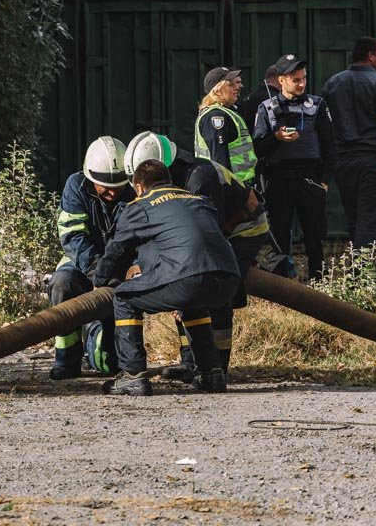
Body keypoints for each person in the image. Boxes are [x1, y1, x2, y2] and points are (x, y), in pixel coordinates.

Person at [88, 159, 241, 396]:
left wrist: (100, 279)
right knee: (193, 304)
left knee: (124, 298)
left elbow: (117, 250)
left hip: (189, 279)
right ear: (168, 180)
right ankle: (212, 373)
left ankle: (132, 375)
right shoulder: (197, 199)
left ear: (138, 187)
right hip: (230, 280)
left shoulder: (141, 206)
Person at [124, 132, 269, 377]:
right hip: (213, 231)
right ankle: (190, 362)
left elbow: (209, 233)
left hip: (242, 230)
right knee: (184, 285)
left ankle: (217, 366)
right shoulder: (172, 180)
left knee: (217, 288)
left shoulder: (199, 179)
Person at [47, 136, 135, 380]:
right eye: (105, 186)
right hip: (80, 263)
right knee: (61, 284)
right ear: (90, 178)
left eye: (118, 185)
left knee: (111, 365)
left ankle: (93, 337)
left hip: (120, 270)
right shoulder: (75, 186)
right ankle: (66, 360)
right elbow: (73, 237)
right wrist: (97, 273)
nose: (112, 191)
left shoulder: (134, 194)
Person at [252, 54, 336, 281]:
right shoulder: (267, 108)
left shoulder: (317, 105)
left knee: (314, 236)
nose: (301, 84)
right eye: (295, 79)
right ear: (281, 80)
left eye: (303, 78)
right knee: (279, 238)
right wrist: (276, 138)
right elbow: (257, 148)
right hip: (278, 179)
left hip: (309, 177)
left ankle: (318, 284)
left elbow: (330, 146)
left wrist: (324, 181)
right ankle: (281, 288)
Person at [322, 37, 376, 252]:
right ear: (371, 56)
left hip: (343, 160)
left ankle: (368, 265)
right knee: (369, 221)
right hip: (373, 160)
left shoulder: (333, 83)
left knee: (354, 218)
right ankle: (360, 269)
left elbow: (324, 123)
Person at [194, 66, 257, 184]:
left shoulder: (227, 112)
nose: (238, 87)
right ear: (217, 91)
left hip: (239, 185)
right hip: (229, 188)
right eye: (230, 84)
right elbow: (220, 163)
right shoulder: (216, 116)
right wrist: (233, 190)